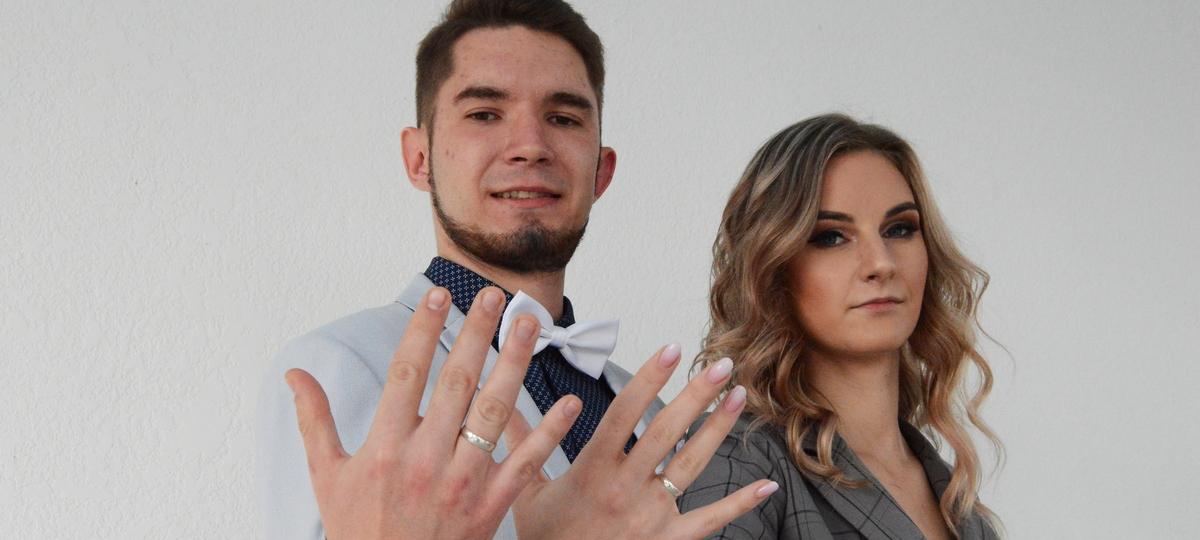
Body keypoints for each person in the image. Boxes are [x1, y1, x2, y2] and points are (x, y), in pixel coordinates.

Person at [257, 1, 776, 539]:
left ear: (600, 172)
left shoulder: (651, 413)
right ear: (419, 158)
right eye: (484, 113)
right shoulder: (340, 367)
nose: (530, 147)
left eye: (564, 118)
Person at [678, 114, 1001, 539]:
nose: (881, 263)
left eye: (900, 229)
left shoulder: (957, 499)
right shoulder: (738, 458)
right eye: (830, 236)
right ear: (772, 269)